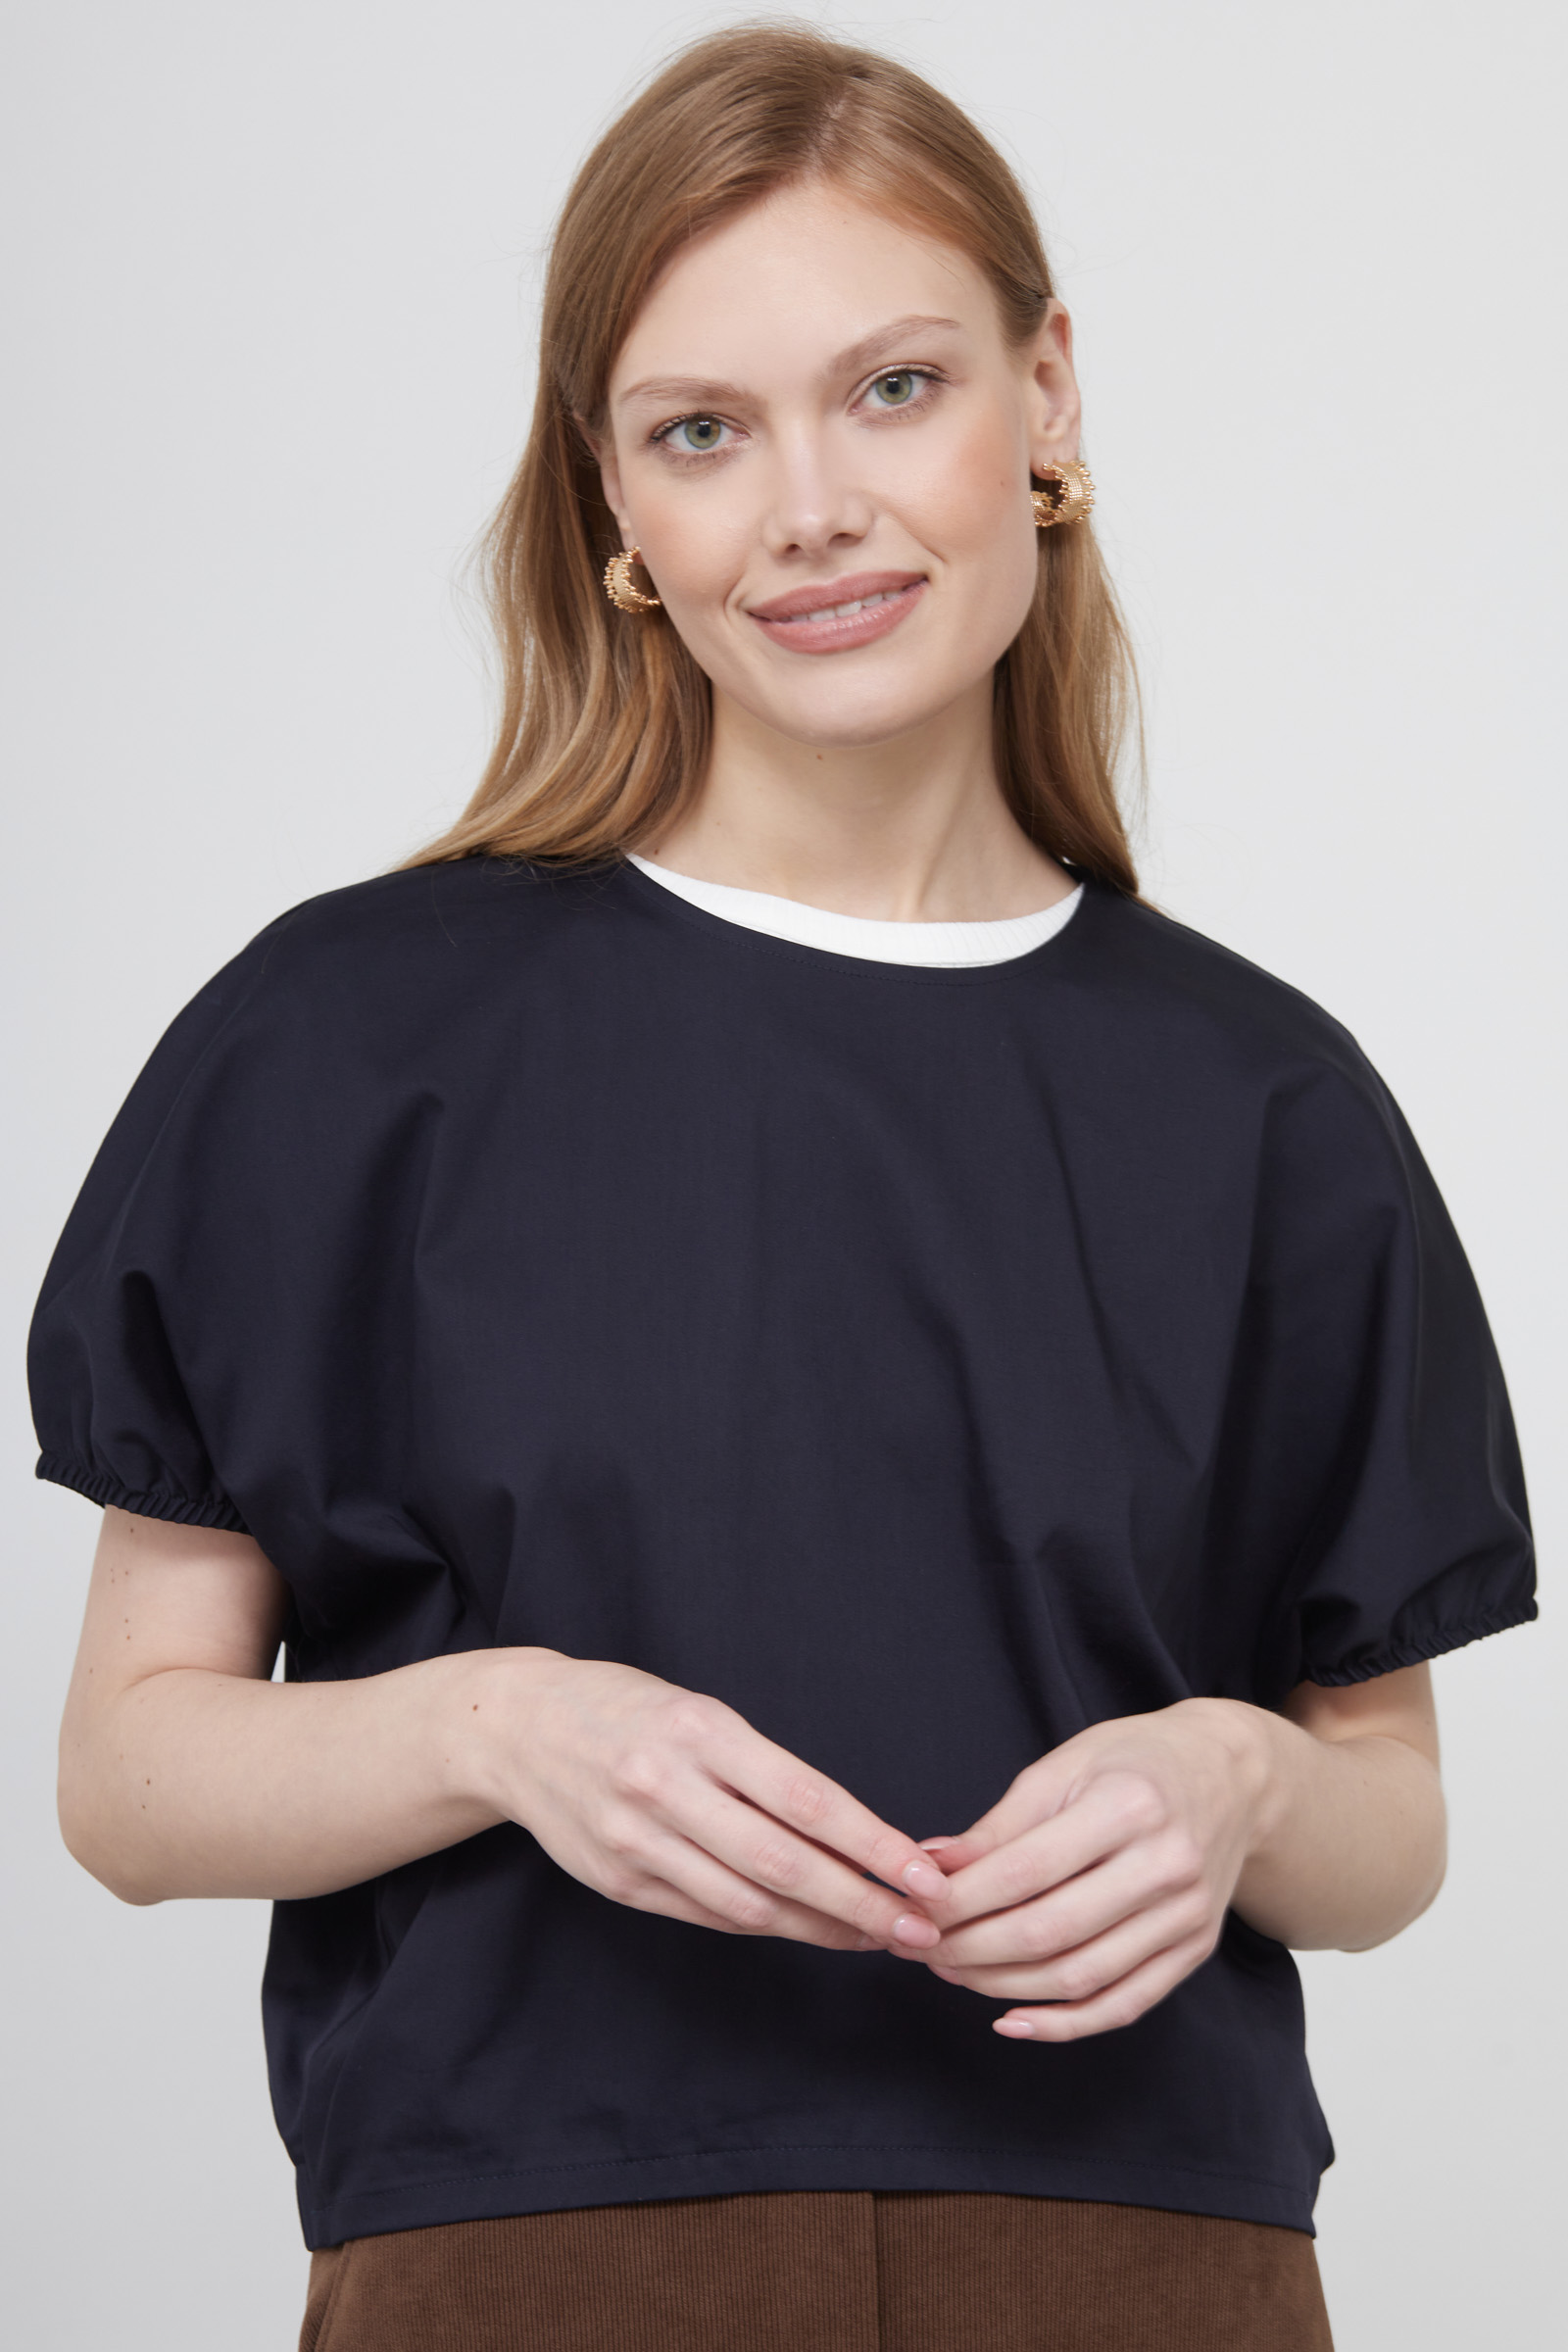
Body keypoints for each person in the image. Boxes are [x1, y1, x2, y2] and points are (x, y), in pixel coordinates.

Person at [30, 25, 1535, 2352]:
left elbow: (1384, 1825)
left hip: (1145, 2266)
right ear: (614, 505)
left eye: (892, 389)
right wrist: (498, 1730)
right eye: (700, 431)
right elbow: (130, 1775)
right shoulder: (343, 1043)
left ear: (1044, 394)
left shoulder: (1263, 1101)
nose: (809, 508)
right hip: (529, 2267)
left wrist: (1233, 1780)